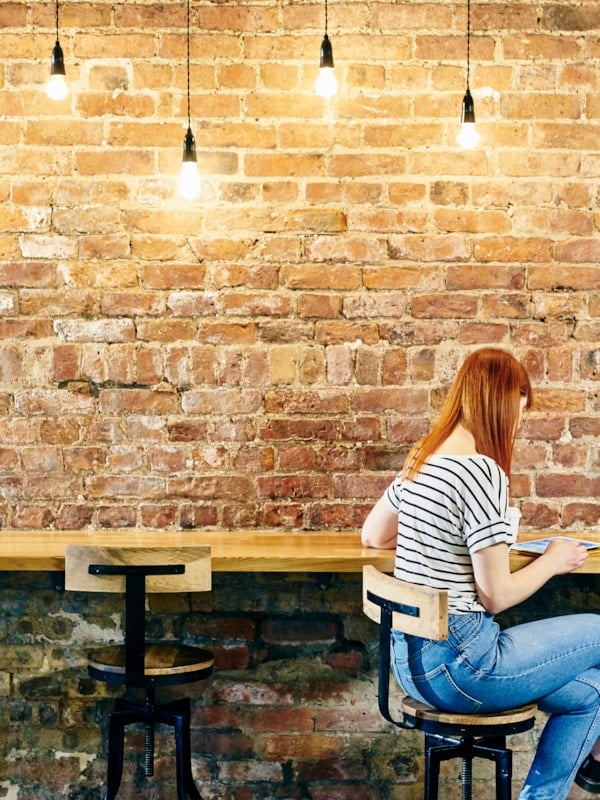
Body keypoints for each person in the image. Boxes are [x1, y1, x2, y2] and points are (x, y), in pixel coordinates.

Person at [361, 347, 600, 800]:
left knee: (592, 693)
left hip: (410, 666)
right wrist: (554, 560)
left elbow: (373, 535)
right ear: (500, 404)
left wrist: (437, 537)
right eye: (518, 414)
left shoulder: (423, 458)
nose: (517, 427)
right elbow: (495, 597)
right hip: (466, 668)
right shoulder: (481, 472)